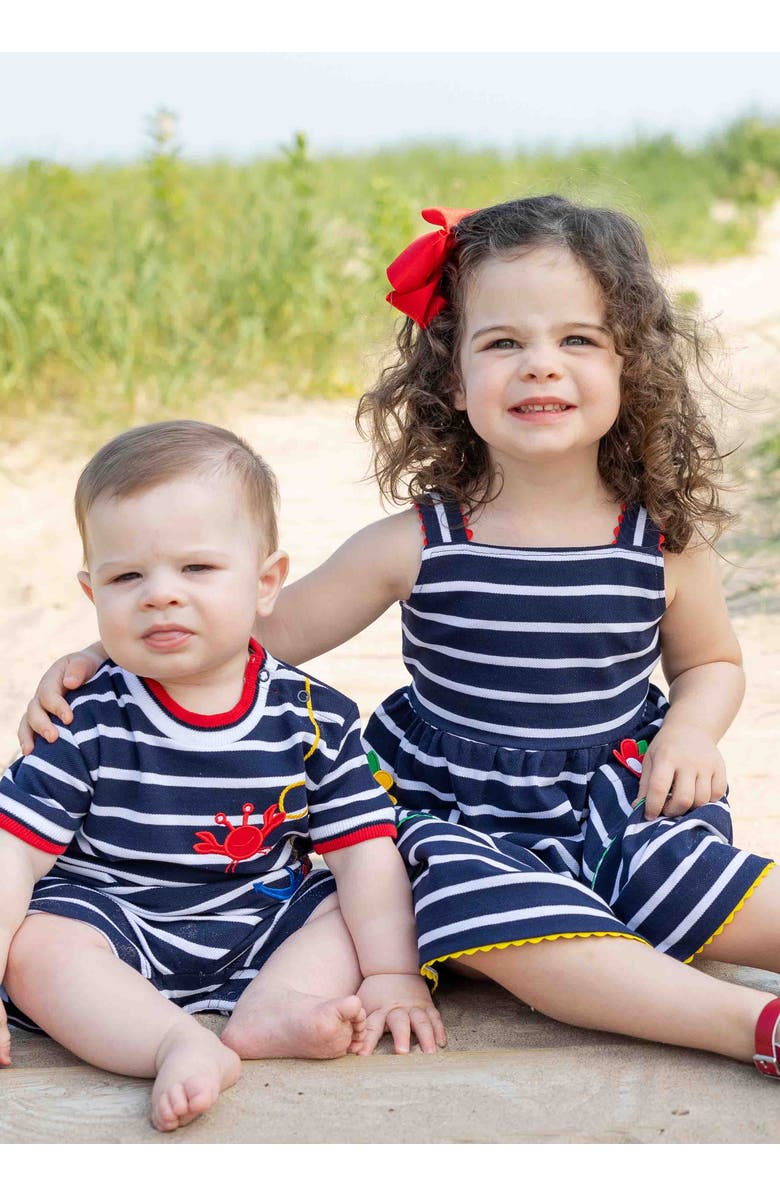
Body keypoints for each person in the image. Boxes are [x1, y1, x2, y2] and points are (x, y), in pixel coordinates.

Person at [19, 197, 780, 1078]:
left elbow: (711, 663)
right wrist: (103, 655)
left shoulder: (658, 546)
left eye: (578, 340)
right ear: (453, 380)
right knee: (461, 903)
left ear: (629, 368)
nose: (541, 367)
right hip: (449, 809)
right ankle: (747, 1024)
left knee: (689, 881)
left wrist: (690, 729)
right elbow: (268, 631)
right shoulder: (420, 542)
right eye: (503, 343)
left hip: (617, 791)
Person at [1, 420, 445, 1134]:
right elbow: (14, 852)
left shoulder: (312, 715)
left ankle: (275, 1007)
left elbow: (363, 849)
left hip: (260, 917)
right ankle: (170, 1041)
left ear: (266, 582)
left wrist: (393, 975)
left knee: (354, 897)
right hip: (120, 925)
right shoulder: (84, 718)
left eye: (197, 569)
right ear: (93, 595)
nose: (160, 595)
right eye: (126, 577)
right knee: (38, 946)